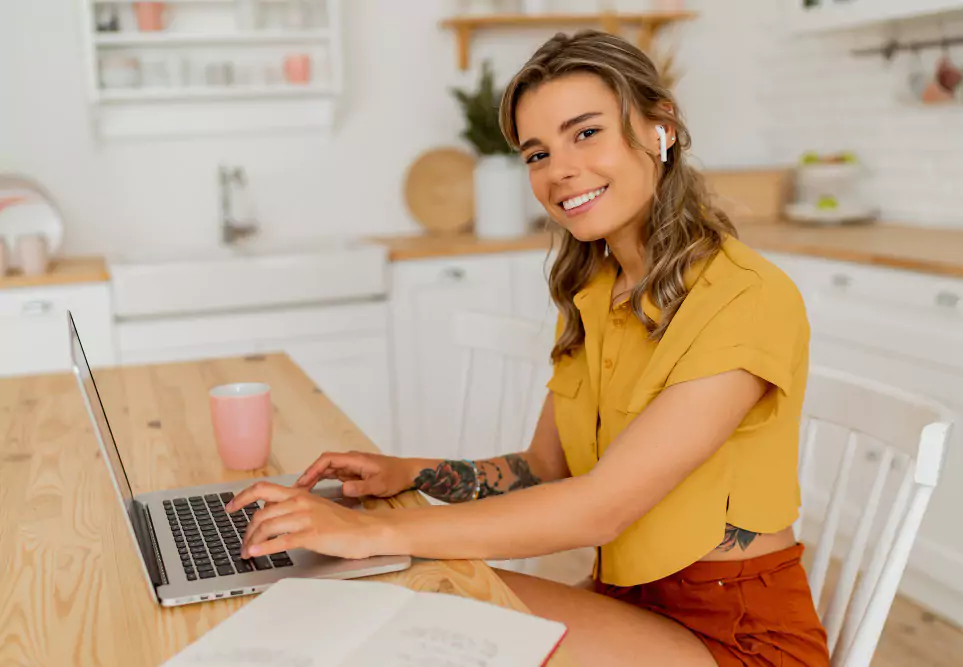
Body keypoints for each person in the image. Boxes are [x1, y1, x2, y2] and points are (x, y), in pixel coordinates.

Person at [226, 30, 829, 667]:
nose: (560, 170)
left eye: (586, 133)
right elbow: (545, 467)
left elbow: (602, 508)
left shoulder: (746, 297)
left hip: (740, 637)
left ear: (661, 129)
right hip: (631, 603)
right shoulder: (598, 288)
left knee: (412, 593)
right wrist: (412, 474)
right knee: (409, 595)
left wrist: (374, 528)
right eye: (537, 153)